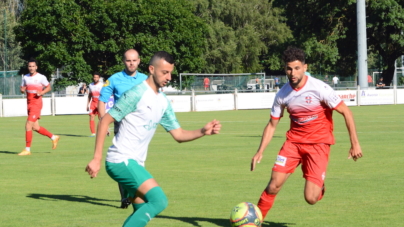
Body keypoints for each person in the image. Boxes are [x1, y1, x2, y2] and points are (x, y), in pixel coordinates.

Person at [85, 51, 221, 226]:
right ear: (151, 69)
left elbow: (178, 135)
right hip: (121, 160)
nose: (169, 77)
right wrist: (96, 159)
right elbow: (105, 121)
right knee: (159, 201)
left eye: (170, 72)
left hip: (135, 163)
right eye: (164, 72)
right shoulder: (136, 93)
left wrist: (202, 131)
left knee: (140, 210)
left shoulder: (163, 102)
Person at [250, 47, 363, 221]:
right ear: (285, 69)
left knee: (311, 198)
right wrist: (260, 151)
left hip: (318, 145)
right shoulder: (282, 94)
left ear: (304, 67)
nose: (292, 73)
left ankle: (319, 185)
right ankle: (254, 222)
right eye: (289, 68)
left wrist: (354, 144)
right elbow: (272, 125)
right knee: (273, 185)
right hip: (293, 144)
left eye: (296, 68)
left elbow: (346, 112)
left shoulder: (319, 88)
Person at [98, 49, 148, 208]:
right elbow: (102, 100)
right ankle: (124, 197)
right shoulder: (114, 79)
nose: (131, 63)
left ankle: (136, 194)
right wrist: (103, 122)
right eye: (128, 60)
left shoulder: (146, 79)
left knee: (138, 162)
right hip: (122, 124)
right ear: (123, 61)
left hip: (141, 126)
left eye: (134, 60)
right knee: (121, 160)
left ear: (139, 61)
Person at [19, 59, 60, 156]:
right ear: (28, 67)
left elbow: (49, 87)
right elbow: (22, 89)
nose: (31, 68)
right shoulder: (25, 77)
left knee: (28, 125)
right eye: (30, 66)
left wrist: (41, 92)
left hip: (36, 104)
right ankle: (54, 137)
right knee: (35, 127)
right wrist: (22, 90)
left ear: (36, 67)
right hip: (29, 104)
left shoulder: (41, 77)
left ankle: (27, 149)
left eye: (33, 66)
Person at [87, 72, 105, 137]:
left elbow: (104, 94)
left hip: (100, 102)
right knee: (91, 117)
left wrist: (102, 103)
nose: (95, 78)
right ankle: (93, 133)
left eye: (97, 77)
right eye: (94, 77)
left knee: (101, 118)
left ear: (99, 78)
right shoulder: (90, 85)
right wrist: (87, 104)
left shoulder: (102, 85)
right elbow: (89, 95)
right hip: (93, 103)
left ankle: (105, 130)